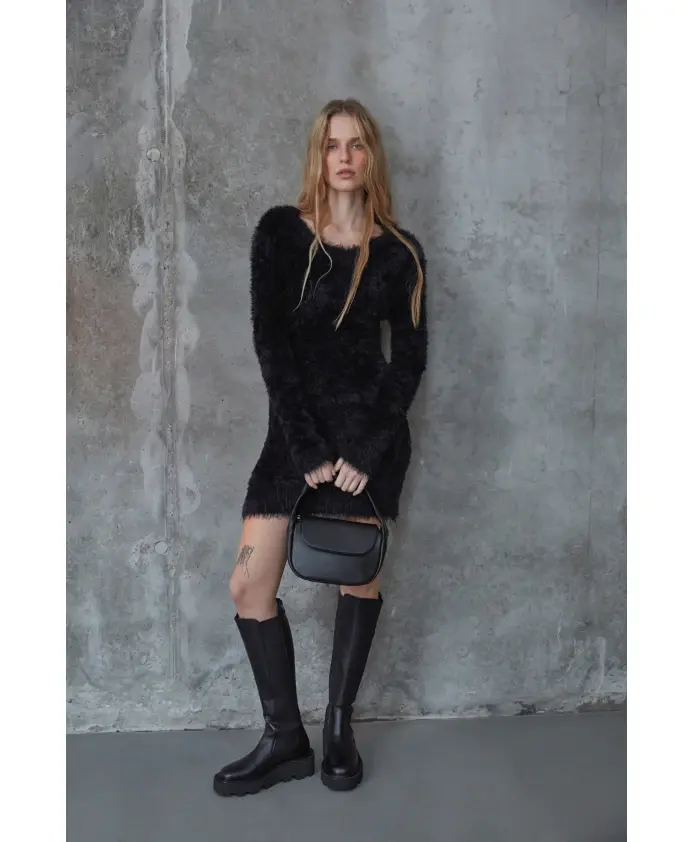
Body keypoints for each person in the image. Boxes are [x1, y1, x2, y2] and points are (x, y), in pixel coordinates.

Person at [213, 98, 428, 797]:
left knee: (356, 574)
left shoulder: (398, 252)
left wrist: (365, 451)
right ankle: (285, 740)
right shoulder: (281, 234)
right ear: (318, 153)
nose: (344, 157)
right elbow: (270, 345)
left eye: (357, 144)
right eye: (333, 144)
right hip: (295, 435)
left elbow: (408, 361)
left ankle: (338, 727)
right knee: (248, 584)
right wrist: (305, 446)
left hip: (366, 438)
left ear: (371, 157)